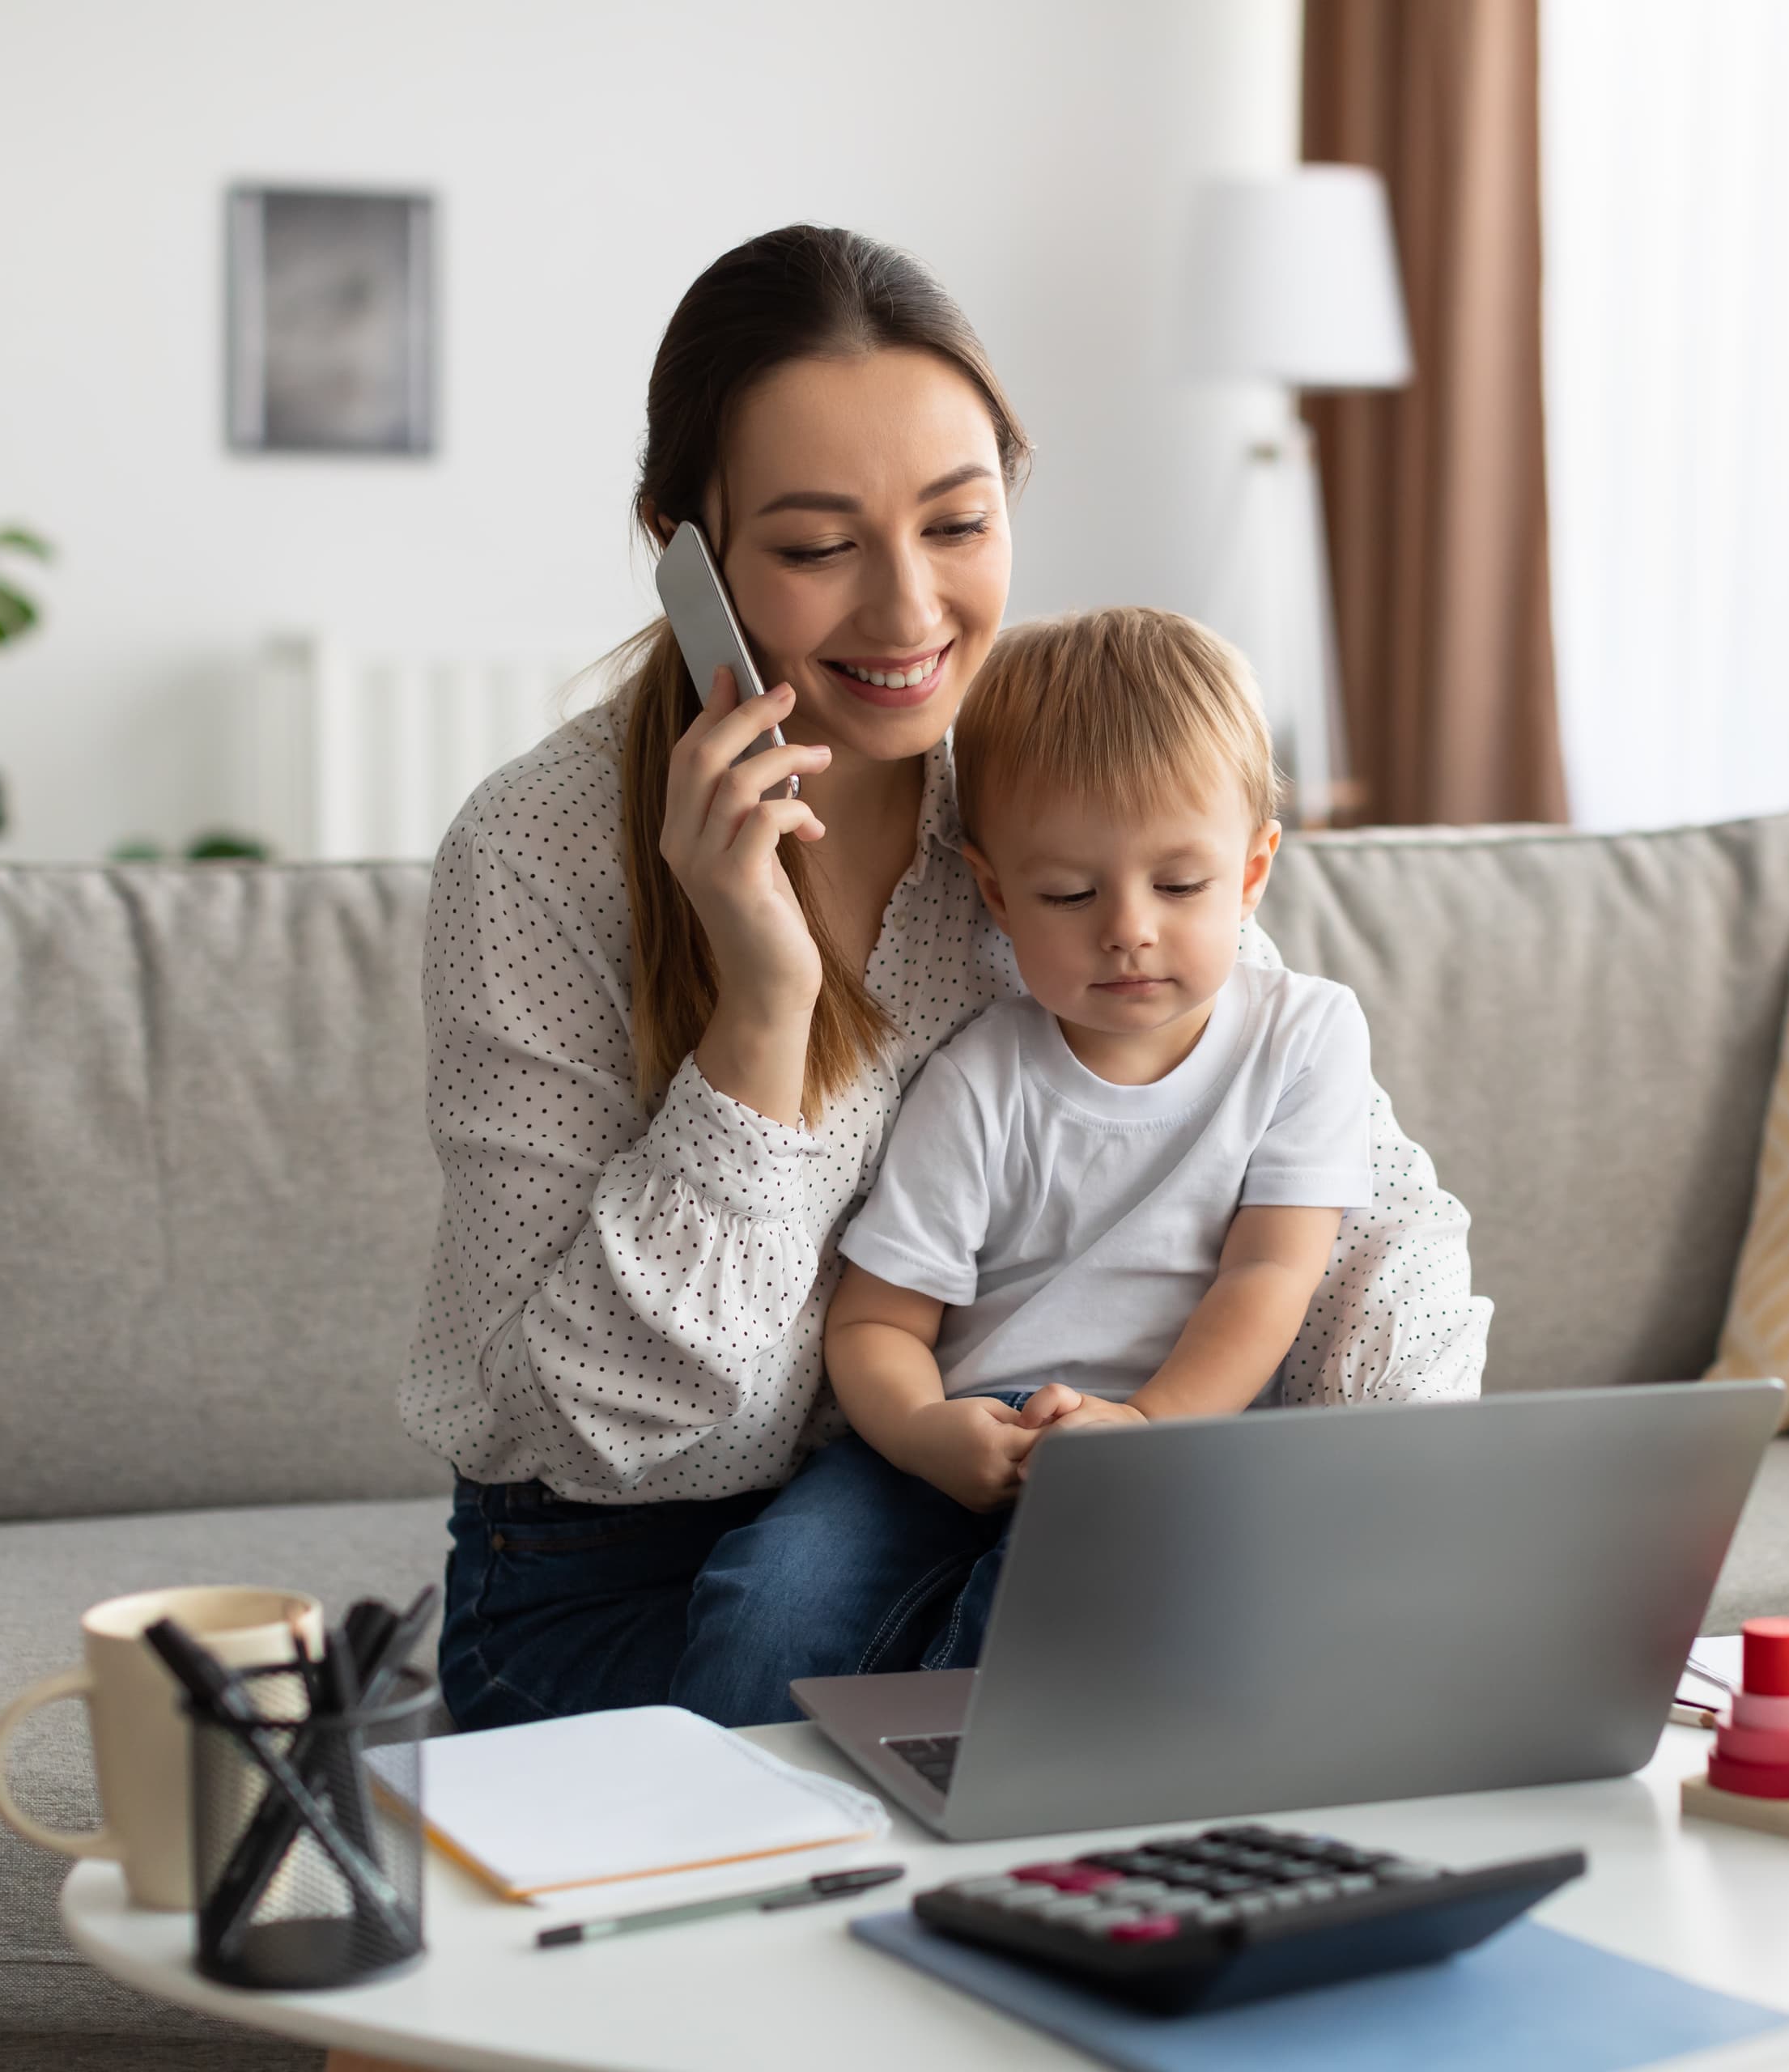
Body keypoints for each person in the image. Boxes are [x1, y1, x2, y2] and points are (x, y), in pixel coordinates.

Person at [402, 224, 1490, 1733]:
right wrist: (763, 1010)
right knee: (1101, 1702)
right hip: (610, 1575)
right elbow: (609, 1431)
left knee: (1207, 1672)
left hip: (988, 1516)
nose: (911, 615)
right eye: (817, 548)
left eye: (958, 525)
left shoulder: (1051, 782)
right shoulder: (538, 855)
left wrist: (1366, 1509)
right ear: (683, 549)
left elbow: (1355, 1204)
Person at [674, 605, 1368, 1696]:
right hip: (965, 1434)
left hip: (1177, 1445)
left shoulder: (1304, 1036)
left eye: (1179, 885)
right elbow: (879, 1321)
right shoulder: (980, 1077)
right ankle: (741, 1801)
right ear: (996, 893)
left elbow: (1273, 1273)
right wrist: (925, 1432)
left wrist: (1144, 1425)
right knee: (766, 1604)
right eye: (1069, 894)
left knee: (1066, 1607)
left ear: (1251, 871)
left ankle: (948, 1777)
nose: (1127, 928)